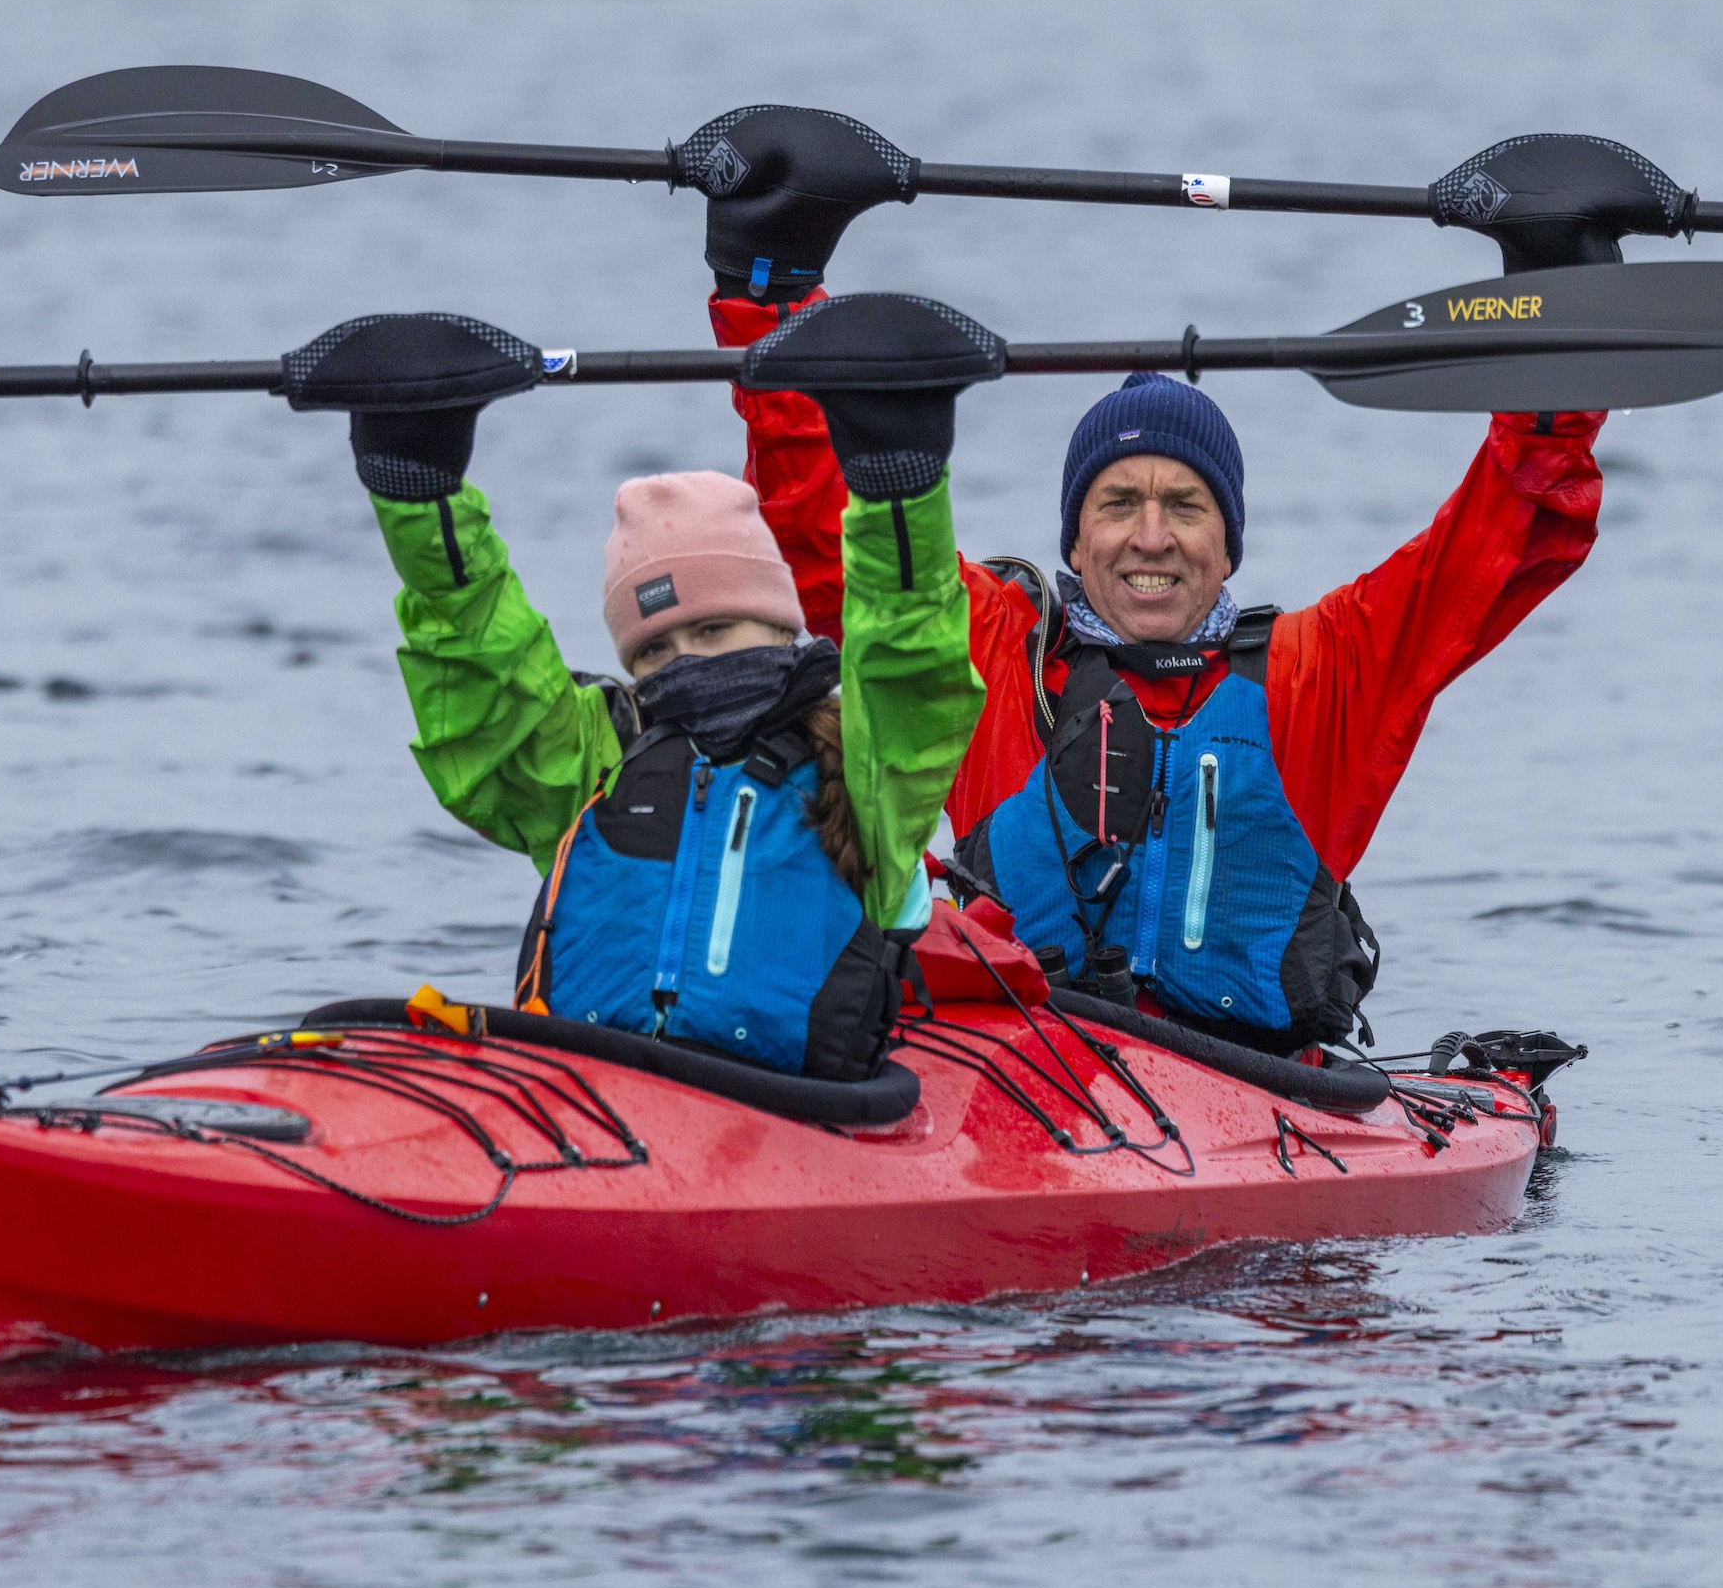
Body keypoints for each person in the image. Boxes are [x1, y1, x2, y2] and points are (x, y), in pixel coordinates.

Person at [676, 105, 1609, 1055]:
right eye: (1118, 504)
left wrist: (1560, 311)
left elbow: (1507, 526)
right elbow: (833, 532)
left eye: (1187, 506)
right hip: (1022, 1080)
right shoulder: (998, 653)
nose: (1150, 537)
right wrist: (770, 288)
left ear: (1230, 545)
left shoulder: (1324, 673)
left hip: (1261, 1093)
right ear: (1075, 542)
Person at [287, 295, 996, 1080]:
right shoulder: (598, 762)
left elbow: (910, 650)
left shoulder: (866, 771)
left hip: (791, 1117)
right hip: (594, 1098)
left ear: (781, 628)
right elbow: (481, 663)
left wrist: (898, 474)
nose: (686, 659)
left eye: (715, 630)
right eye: (655, 647)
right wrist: (418, 483)